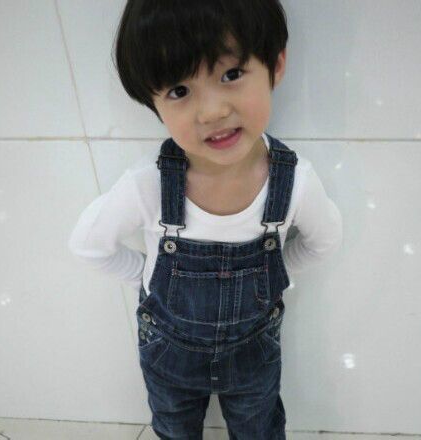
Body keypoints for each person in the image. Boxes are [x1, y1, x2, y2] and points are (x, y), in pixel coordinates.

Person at [68, 0, 343, 438]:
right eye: (179, 90)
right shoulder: (147, 184)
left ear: (275, 65)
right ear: (153, 102)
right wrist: (146, 275)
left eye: (231, 74)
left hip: (253, 358)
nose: (212, 111)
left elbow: (323, 241)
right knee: (175, 430)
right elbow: (88, 246)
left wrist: (279, 269)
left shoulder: (294, 183)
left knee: (259, 430)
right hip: (168, 358)